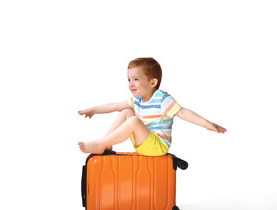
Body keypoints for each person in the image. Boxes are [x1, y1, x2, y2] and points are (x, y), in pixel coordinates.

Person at [78, 57, 227, 156]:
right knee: (126, 111)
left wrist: (207, 124)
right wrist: (94, 110)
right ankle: (106, 143)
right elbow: (115, 106)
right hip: (144, 142)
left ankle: (100, 144)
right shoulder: (137, 100)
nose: (130, 84)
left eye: (136, 79)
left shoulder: (162, 99)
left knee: (134, 121)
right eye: (129, 79)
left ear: (152, 83)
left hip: (158, 146)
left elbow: (183, 113)